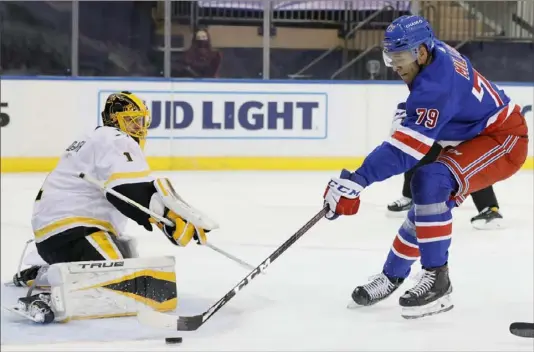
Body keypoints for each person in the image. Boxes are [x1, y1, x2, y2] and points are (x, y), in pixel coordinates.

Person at [322, 15, 528, 319]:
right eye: (389, 56)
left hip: (503, 139)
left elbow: (406, 151)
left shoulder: (437, 84)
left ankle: (438, 280)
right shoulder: (433, 55)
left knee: (429, 181)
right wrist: (409, 113)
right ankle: (392, 275)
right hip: (476, 134)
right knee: (430, 207)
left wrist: (357, 180)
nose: (395, 65)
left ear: (421, 51)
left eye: (400, 57)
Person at [10, 91, 216, 323]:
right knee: (142, 288)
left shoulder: (96, 138)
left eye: (141, 120)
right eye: (131, 120)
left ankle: (46, 274)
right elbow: (128, 191)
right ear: (114, 120)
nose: (137, 127)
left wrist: (165, 218)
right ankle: (52, 297)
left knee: (135, 269)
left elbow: (127, 193)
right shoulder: (115, 138)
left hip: (61, 234)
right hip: (75, 232)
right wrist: (167, 218)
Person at [387, 105, 505, 230]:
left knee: (469, 166)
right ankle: (410, 197)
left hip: (462, 132)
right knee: (416, 150)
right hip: (438, 134)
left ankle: (490, 209)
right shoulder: (419, 96)